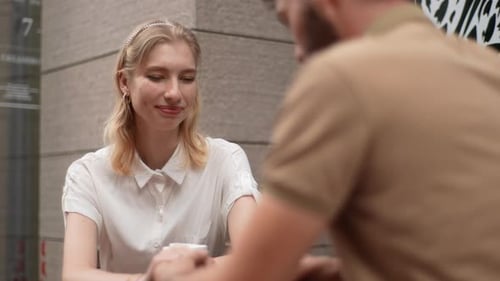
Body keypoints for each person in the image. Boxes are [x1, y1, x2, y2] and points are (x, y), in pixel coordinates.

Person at [150, 0, 500, 280]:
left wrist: (174, 275)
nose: (298, 52)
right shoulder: (487, 68)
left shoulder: (341, 77)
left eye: (290, 21)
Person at [60, 19, 259, 281]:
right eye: (157, 77)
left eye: (187, 78)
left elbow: (257, 258)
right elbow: (74, 275)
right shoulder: (87, 174)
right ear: (124, 82)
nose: (175, 92)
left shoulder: (225, 160)